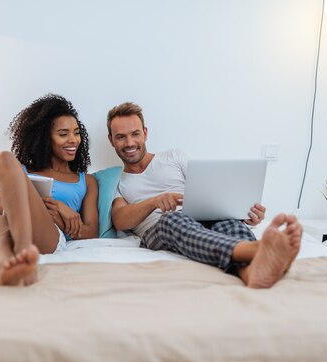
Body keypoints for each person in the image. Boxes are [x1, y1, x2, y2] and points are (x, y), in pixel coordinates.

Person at [106, 102, 302, 288]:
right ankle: (258, 249)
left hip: (201, 219)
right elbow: (121, 221)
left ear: (145, 133)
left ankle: (250, 272)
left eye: (135, 134)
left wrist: (243, 213)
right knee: (173, 220)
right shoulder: (117, 180)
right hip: (161, 229)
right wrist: (154, 202)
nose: (129, 142)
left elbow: (211, 191)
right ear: (111, 140)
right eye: (121, 137)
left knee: (229, 223)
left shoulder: (174, 156)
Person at [0, 94, 99, 286]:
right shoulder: (23, 171)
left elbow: (92, 230)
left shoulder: (86, 180)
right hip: (8, 224)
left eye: (76, 132)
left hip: (48, 235)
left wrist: (66, 219)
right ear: (45, 138)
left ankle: (23, 249)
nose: (73, 140)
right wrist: (50, 204)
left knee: (5, 161)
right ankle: (4, 270)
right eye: (63, 134)